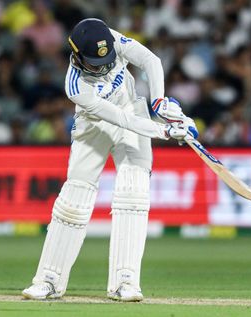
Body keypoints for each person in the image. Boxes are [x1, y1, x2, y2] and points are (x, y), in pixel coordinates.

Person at [22, 18, 198, 301]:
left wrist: (159, 102)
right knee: (74, 200)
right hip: (95, 125)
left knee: (134, 193)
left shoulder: (111, 39)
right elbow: (122, 120)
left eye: (108, 61)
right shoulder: (75, 85)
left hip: (133, 108)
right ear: (77, 56)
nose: (104, 68)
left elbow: (151, 61)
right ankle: (49, 281)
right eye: (95, 63)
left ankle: (125, 282)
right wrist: (163, 130)